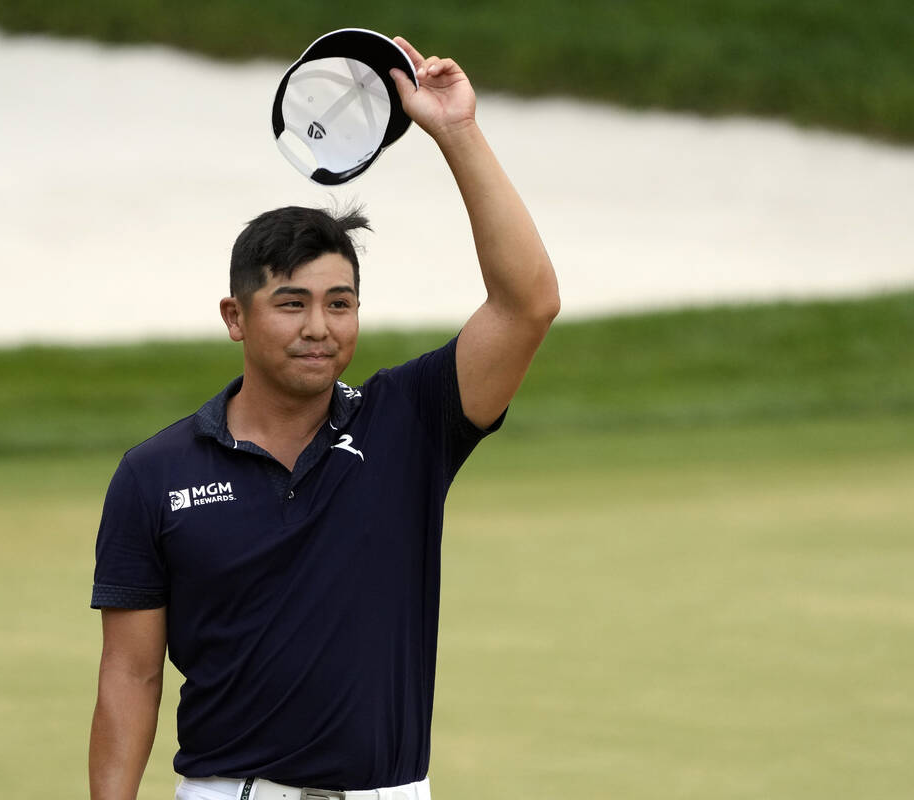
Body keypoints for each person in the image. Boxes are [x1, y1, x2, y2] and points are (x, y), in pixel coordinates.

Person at [88, 36, 560, 800]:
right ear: (235, 318)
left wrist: (456, 131)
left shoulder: (408, 423)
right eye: (292, 303)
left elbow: (527, 303)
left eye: (340, 304)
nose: (319, 326)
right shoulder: (155, 473)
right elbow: (131, 672)